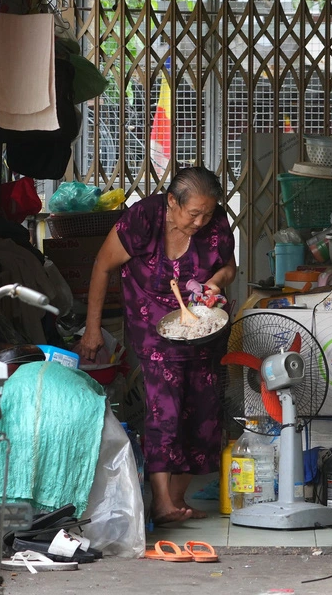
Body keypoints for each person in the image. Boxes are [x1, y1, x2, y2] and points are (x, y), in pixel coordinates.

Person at [78, 167, 237, 525]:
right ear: (171, 202)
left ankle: (176, 501)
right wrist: (93, 330)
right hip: (151, 325)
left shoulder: (215, 223)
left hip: (201, 325)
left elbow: (230, 268)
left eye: (208, 213)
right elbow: (102, 267)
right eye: (193, 213)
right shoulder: (143, 219)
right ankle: (161, 502)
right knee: (165, 407)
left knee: (204, 410)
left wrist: (214, 282)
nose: (200, 221)